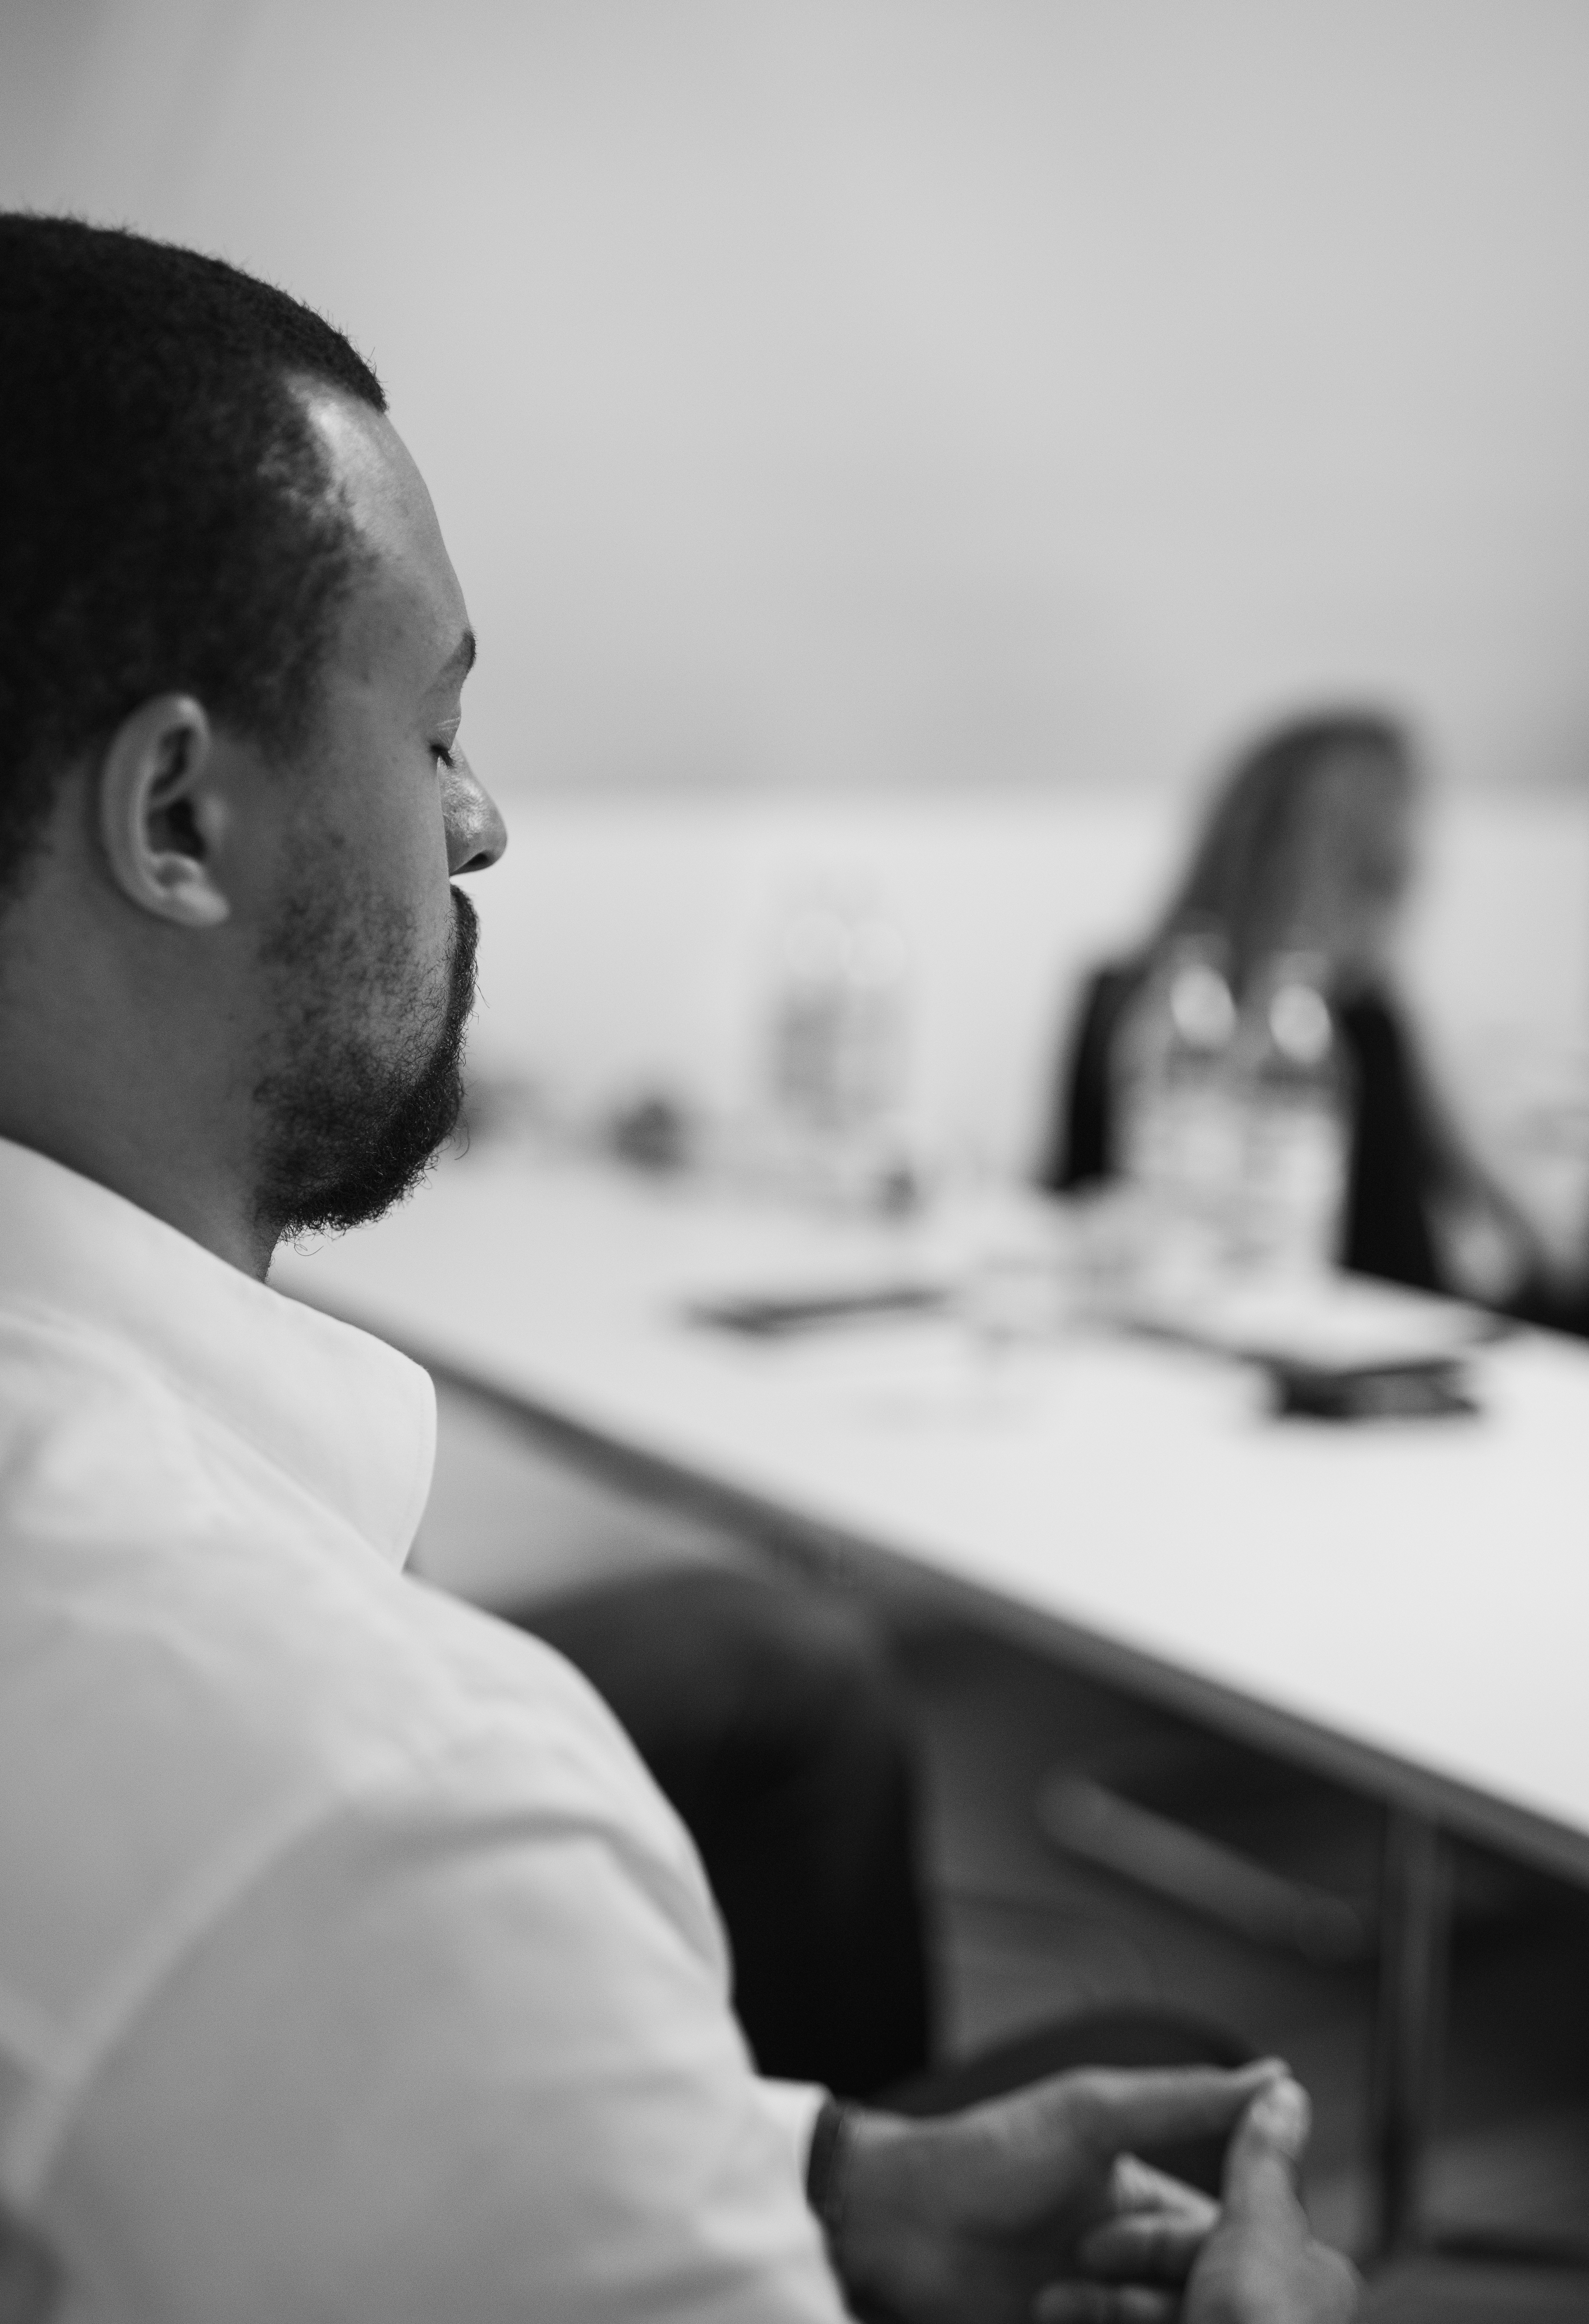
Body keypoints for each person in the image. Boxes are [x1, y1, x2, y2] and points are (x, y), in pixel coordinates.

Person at [0, 212, 1357, 2321]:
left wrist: (812, 2175)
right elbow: (344, 1897)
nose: (481, 824)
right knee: (1173, 2064)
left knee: (771, 1674)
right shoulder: (382, 1806)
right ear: (177, 816)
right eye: (435, 728)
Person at [1043, 711, 1535, 1302]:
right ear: (1373, 873)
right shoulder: (1352, 1029)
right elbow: (1406, 1271)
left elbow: (1062, 1202)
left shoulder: (1118, 993)